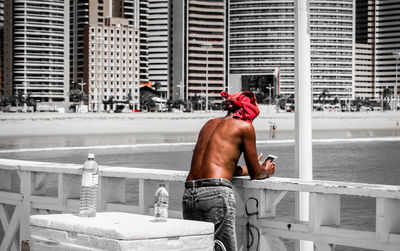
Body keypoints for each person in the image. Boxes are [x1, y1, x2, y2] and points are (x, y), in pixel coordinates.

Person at [182, 90, 276, 251]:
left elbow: (219, 165)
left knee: (198, 247)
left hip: (190, 193)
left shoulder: (209, 124)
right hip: (216, 194)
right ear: (247, 110)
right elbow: (257, 174)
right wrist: (266, 170)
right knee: (222, 247)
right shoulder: (244, 127)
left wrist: (247, 169)